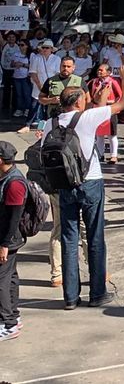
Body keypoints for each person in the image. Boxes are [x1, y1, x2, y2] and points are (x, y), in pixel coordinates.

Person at [56, 66, 124, 309]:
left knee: (69, 238)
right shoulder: (88, 118)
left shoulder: (51, 123)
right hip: (90, 182)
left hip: (64, 184)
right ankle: (97, 293)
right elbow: (123, 103)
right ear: (79, 102)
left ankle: (70, 297)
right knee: (95, 237)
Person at [0, 141, 26, 341]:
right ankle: (14, 316)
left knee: (1, 281)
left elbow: (15, 216)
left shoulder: (15, 183)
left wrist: (5, 245)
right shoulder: (6, 177)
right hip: (8, 238)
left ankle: (6, 323)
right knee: (10, 277)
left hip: (8, 238)